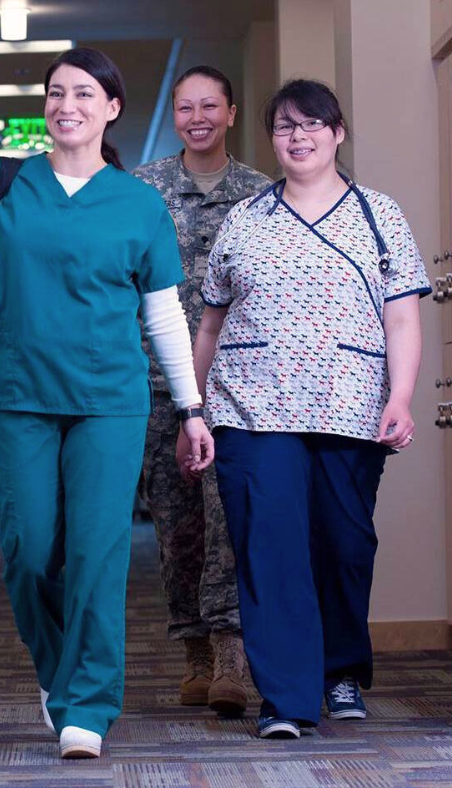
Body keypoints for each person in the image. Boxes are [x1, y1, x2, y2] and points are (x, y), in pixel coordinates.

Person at [0, 47, 213, 759]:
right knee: (28, 550)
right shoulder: (4, 181)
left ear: (111, 108)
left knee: (97, 551)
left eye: (84, 94)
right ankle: (60, 675)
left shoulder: (139, 202)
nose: (66, 105)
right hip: (19, 393)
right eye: (56, 93)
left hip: (108, 399)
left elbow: (164, 316)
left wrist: (191, 406)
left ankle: (89, 700)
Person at [194, 79, 431, 739]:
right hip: (252, 406)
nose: (298, 138)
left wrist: (401, 396)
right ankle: (288, 699)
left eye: (311, 125)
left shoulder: (379, 215)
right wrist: (195, 409)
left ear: (337, 133)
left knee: (344, 544)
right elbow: (210, 326)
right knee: (270, 548)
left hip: (350, 407)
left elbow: (403, 320)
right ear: (271, 139)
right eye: (284, 127)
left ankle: (341, 670)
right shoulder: (247, 218)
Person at [133, 66, 271, 716]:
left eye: (209, 105)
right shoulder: (144, 189)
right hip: (160, 386)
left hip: (238, 389)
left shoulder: (262, 194)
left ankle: (230, 659)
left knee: (231, 522)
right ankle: (192, 651)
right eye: (185, 107)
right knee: (178, 527)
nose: (197, 117)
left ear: (231, 112)